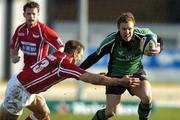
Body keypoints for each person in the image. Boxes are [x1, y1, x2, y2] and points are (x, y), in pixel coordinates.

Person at [0, 40, 140, 120]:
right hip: (19, 91)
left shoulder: (57, 55)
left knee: (43, 112)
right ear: (75, 53)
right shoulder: (64, 64)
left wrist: (95, 74)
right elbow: (92, 80)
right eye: (80, 56)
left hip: (25, 87)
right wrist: (120, 81)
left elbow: (65, 73)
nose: (79, 59)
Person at [79, 12, 163, 120]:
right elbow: (95, 56)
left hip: (135, 73)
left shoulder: (144, 34)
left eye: (130, 29)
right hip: (115, 77)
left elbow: (158, 39)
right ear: (118, 28)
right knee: (111, 112)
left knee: (147, 97)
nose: (127, 32)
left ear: (134, 27)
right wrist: (78, 70)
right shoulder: (111, 40)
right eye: (124, 29)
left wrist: (159, 49)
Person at [9, 1, 64, 120]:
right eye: (29, 14)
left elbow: (60, 46)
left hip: (39, 74)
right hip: (27, 74)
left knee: (42, 111)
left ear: (38, 15)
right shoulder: (20, 30)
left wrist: (54, 59)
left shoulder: (43, 30)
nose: (31, 17)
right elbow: (14, 47)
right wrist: (14, 57)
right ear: (24, 14)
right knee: (42, 112)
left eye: (34, 14)